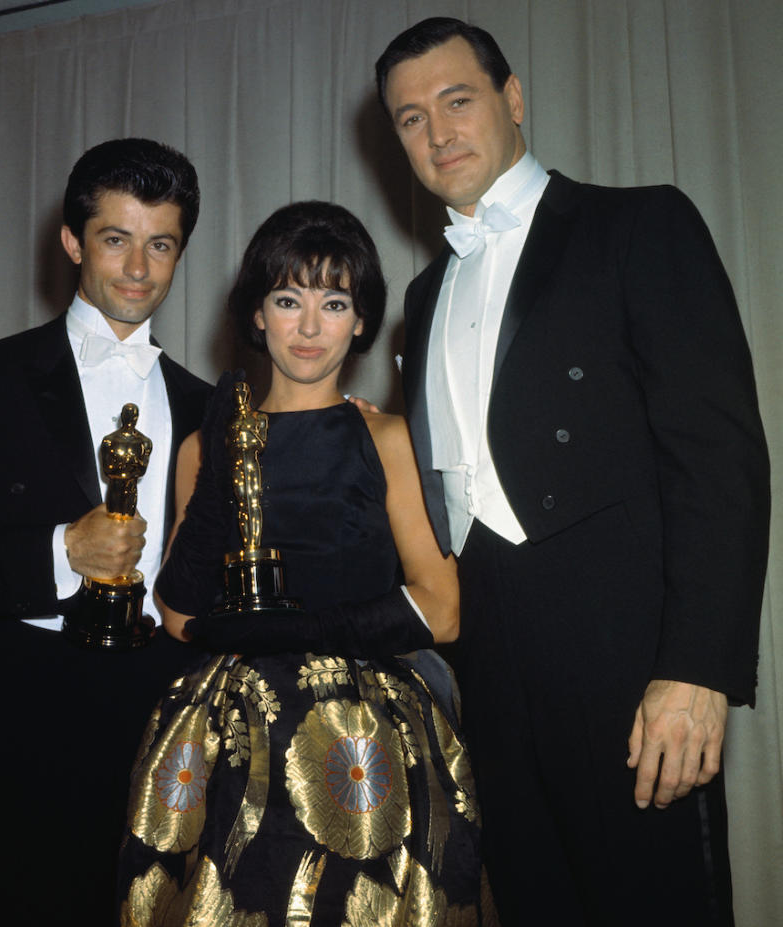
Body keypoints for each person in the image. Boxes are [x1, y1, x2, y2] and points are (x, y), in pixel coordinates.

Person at [374, 17, 770, 926]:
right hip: (493, 676)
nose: (436, 133)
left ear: (513, 100)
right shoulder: (425, 294)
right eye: (409, 119)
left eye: (457, 100)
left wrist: (697, 670)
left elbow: (718, 458)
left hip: (633, 671)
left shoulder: (641, 224)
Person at [116, 201, 495, 925]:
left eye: (334, 301)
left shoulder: (387, 438)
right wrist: (225, 455)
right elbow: (178, 611)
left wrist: (296, 629)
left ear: (361, 320)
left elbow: (442, 606)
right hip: (228, 742)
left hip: (367, 734)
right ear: (258, 315)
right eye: (288, 299)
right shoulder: (207, 445)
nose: (311, 326)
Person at [0, 138, 211, 926]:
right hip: (24, 724)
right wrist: (62, 550)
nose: (138, 268)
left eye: (159, 244)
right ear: (72, 241)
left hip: (167, 720)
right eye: (115, 238)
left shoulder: (210, 405)